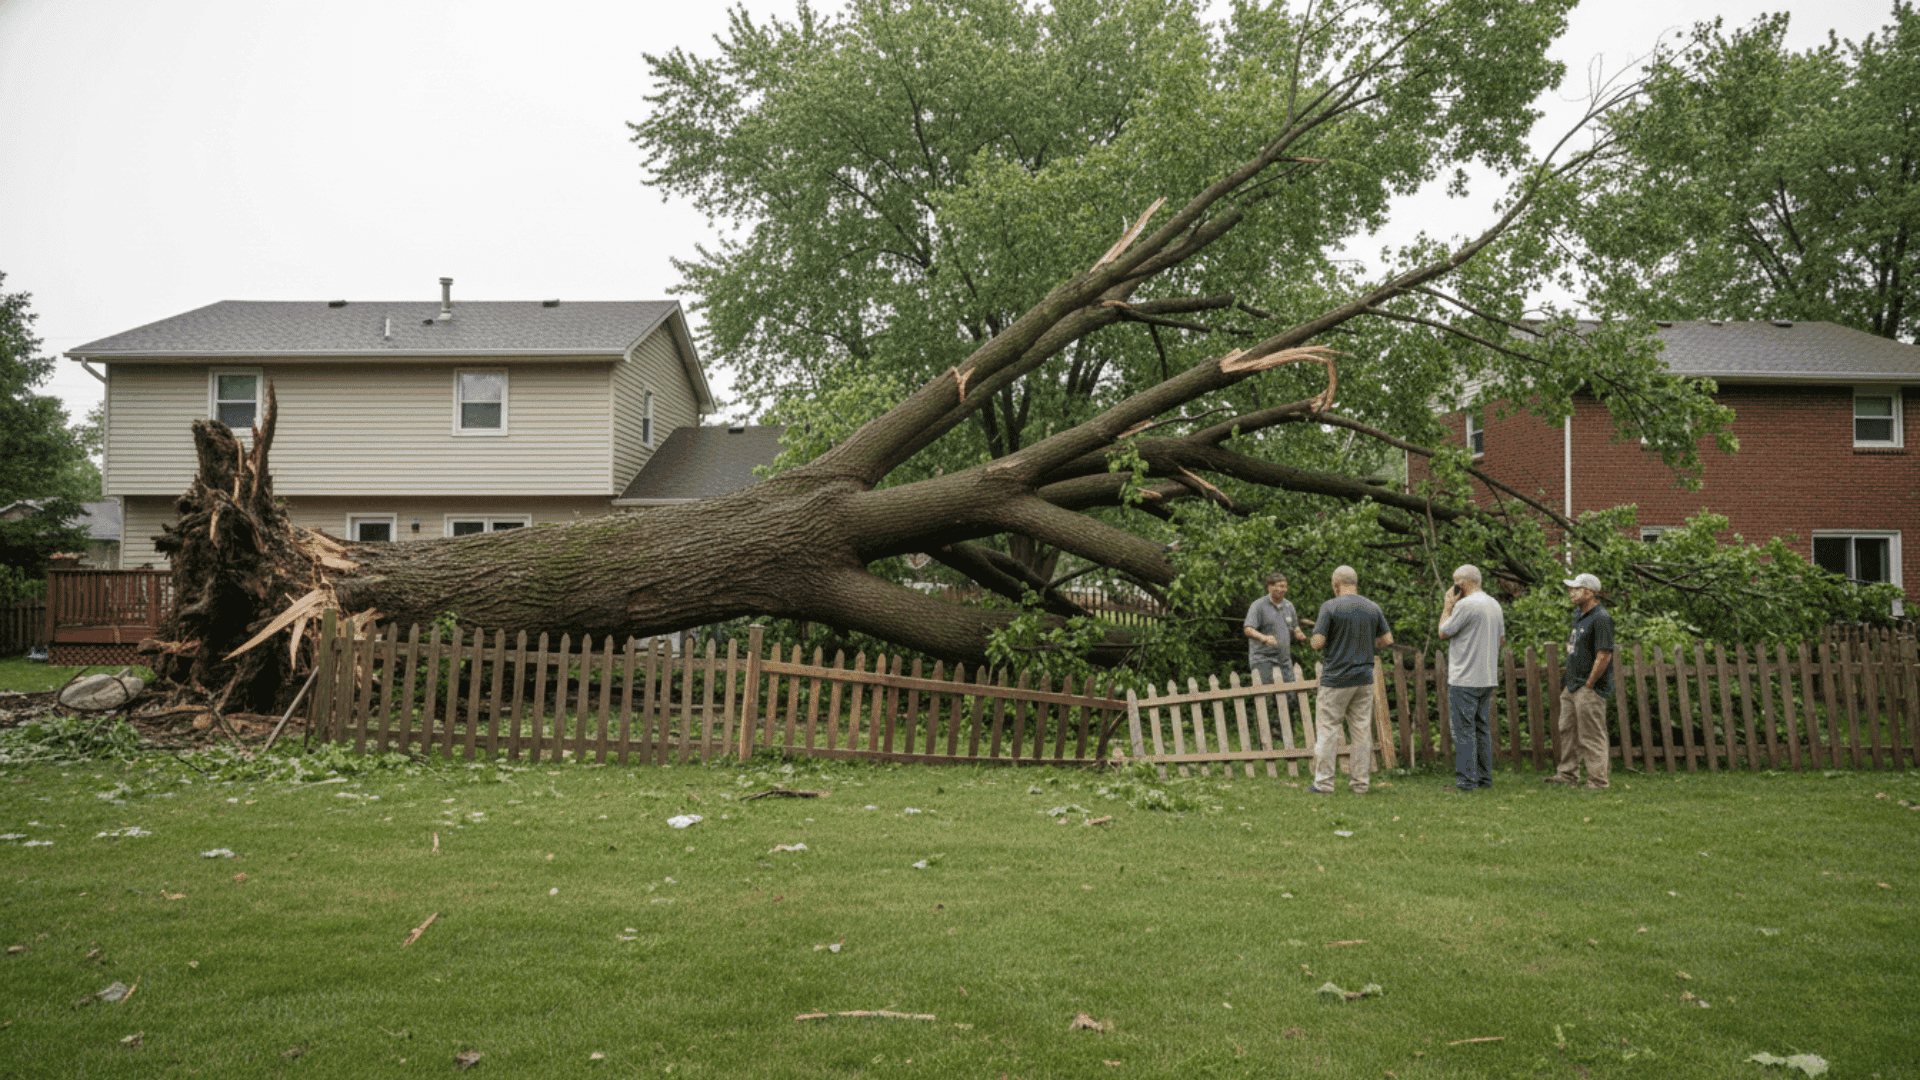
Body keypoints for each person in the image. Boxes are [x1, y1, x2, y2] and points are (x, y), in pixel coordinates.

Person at [1308, 565, 1393, 795]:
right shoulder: (1372, 607)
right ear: (1355, 583)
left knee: (1328, 729)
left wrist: (1314, 637)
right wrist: (1369, 645)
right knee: (1361, 731)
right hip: (1364, 678)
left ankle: (1324, 783)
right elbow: (1387, 639)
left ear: (1336, 585)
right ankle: (1360, 784)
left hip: (1336, 678)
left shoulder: (1330, 606)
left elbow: (1318, 642)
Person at [1437, 564, 1505, 792]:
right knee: (1481, 729)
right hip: (1487, 677)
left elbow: (1443, 631)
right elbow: (1501, 640)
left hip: (1464, 678)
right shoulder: (1494, 604)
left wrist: (1448, 606)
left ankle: (1466, 781)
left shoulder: (1465, 605)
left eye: (1455, 583)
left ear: (1462, 583)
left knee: (1463, 731)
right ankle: (1485, 779)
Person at [1546, 572, 1614, 789]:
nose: (1571, 592)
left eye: (1576, 589)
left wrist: (1590, 683)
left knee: (1591, 735)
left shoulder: (1601, 618)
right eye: (1570, 589)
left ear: (1590, 592)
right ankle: (1567, 775)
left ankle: (1597, 780)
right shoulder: (1580, 614)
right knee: (1566, 729)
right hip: (1572, 684)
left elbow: (1604, 654)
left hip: (1589, 686)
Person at [1244, 571, 1309, 720]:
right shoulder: (1258, 606)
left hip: (1284, 659)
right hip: (1263, 659)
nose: (1283, 589)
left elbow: (1294, 626)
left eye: (1285, 586)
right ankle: (1267, 734)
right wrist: (1264, 638)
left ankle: (1287, 733)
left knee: (1291, 696)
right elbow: (1248, 629)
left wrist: (1299, 633)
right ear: (1270, 587)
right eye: (1280, 586)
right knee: (1265, 698)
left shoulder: (1288, 606)